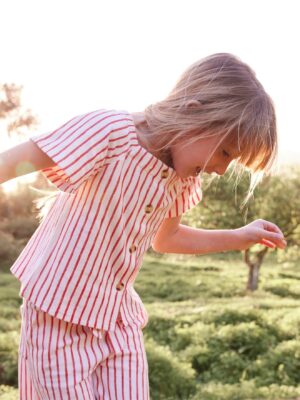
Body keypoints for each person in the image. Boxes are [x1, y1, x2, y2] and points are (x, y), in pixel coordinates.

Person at [0, 53, 286, 399]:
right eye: (225, 152)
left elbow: (167, 239)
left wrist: (239, 236)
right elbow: (11, 164)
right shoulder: (109, 133)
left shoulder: (181, 178)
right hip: (57, 318)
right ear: (194, 112)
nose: (222, 171)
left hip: (117, 323)